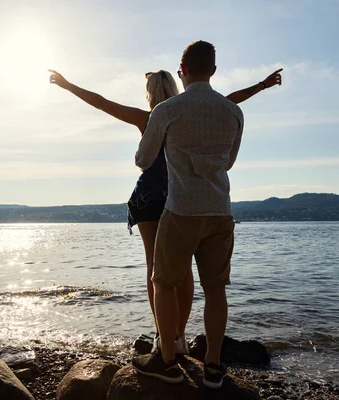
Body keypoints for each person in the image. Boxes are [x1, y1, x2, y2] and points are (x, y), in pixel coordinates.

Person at [48, 65, 282, 357]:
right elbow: (231, 99)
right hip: (178, 196)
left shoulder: (148, 118)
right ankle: (179, 336)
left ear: (149, 93)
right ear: (175, 85)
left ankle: (163, 336)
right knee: (183, 272)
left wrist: (69, 86)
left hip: (148, 197)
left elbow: (101, 102)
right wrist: (261, 85)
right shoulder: (187, 111)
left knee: (156, 271)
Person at [132, 40, 258, 389]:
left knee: (163, 281)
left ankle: (167, 360)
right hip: (220, 210)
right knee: (216, 288)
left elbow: (143, 160)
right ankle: (214, 366)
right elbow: (229, 161)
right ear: (214, 71)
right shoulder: (233, 112)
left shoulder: (168, 110)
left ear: (181, 70)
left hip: (181, 208)